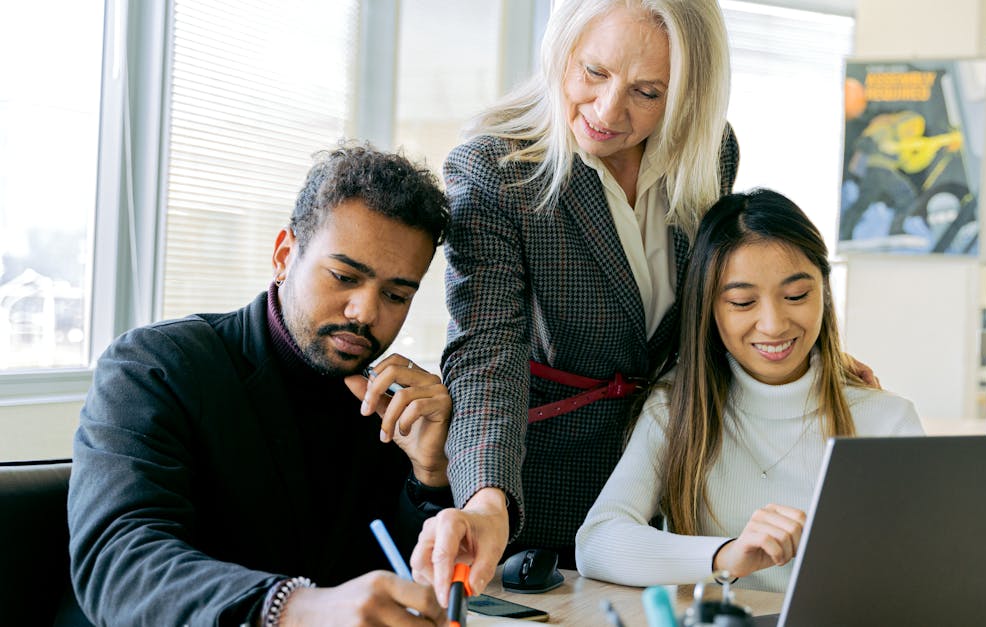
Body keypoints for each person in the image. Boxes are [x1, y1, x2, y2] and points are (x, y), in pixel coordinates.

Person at [415, 0, 740, 601]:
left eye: (647, 92)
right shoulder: (498, 171)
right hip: (543, 498)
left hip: (674, 499)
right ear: (561, 49)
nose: (609, 110)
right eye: (593, 72)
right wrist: (488, 501)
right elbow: (488, 351)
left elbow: (720, 297)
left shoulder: (708, 152)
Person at [68, 144, 454, 626]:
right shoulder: (155, 366)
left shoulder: (391, 409)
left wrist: (431, 476)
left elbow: (396, 583)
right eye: (343, 276)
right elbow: (119, 564)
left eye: (396, 295)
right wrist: (290, 608)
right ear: (284, 255)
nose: (366, 312)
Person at [574, 189, 923, 593]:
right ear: (709, 308)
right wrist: (725, 555)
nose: (773, 324)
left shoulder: (887, 420)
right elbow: (597, 542)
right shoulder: (676, 408)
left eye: (796, 296)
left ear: (824, 292)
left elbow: (930, 571)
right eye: (742, 302)